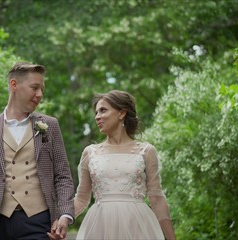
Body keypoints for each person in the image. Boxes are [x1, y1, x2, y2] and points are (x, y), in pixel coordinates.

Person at [0, 62, 75, 240]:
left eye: (42, 89)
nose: (40, 95)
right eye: (35, 88)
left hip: (40, 222)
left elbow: (63, 176)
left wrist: (64, 215)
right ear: (14, 85)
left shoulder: (50, 125)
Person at [71, 90, 175, 239]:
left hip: (138, 226)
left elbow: (157, 198)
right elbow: (81, 199)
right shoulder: (90, 153)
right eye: (96, 112)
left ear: (121, 113)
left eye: (103, 110)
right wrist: (60, 219)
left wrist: (171, 238)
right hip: (100, 227)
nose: (97, 117)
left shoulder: (146, 151)